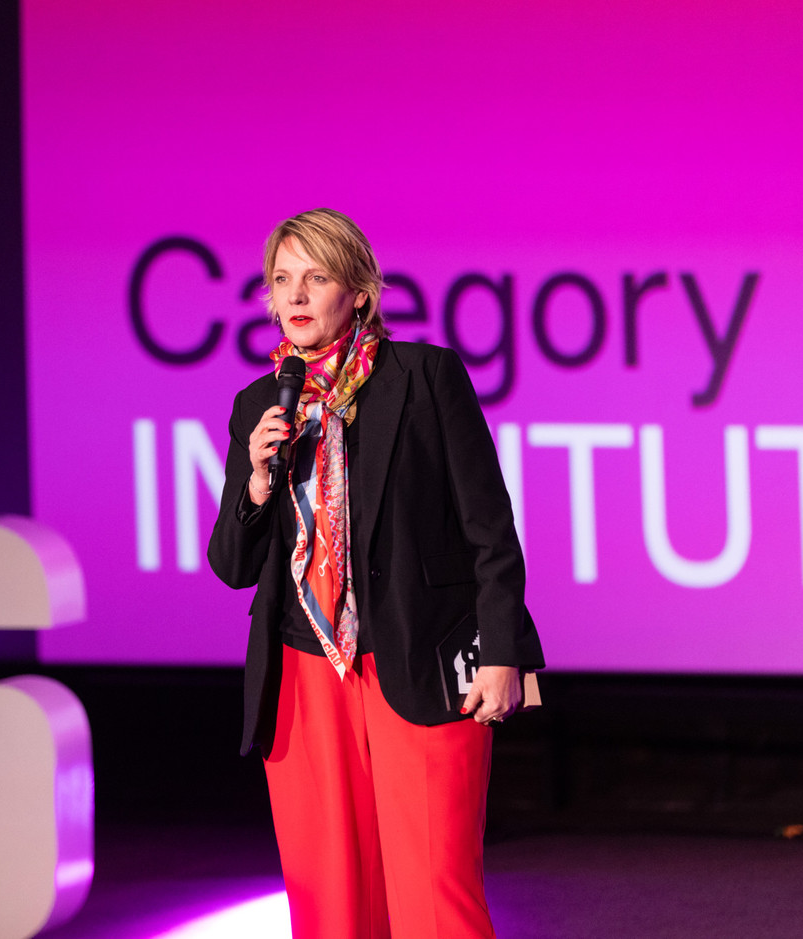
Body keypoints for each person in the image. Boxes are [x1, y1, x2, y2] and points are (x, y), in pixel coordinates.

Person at [208, 208, 543, 939]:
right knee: (330, 905)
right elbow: (231, 565)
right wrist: (259, 482)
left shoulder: (424, 378)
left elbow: (488, 524)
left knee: (433, 894)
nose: (295, 296)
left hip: (419, 655)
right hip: (302, 671)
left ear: (358, 291)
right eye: (282, 280)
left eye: (316, 277)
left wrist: (505, 652)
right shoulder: (258, 408)